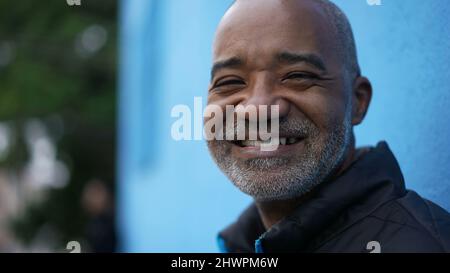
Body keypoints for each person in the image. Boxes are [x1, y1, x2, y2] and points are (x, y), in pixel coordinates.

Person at [206, 0, 450, 253]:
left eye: (297, 76)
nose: (257, 108)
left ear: (357, 101)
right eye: (230, 81)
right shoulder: (243, 244)